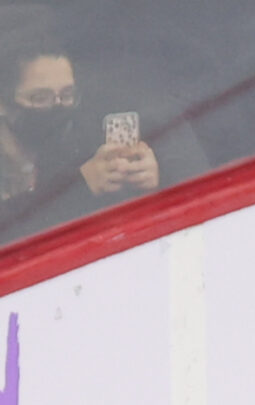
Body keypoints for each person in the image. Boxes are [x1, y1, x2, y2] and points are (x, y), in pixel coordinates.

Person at [0, 6, 206, 243]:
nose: (57, 107)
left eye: (67, 95)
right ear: (3, 104)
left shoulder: (82, 141)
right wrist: (79, 187)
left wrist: (156, 180)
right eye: (40, 98)